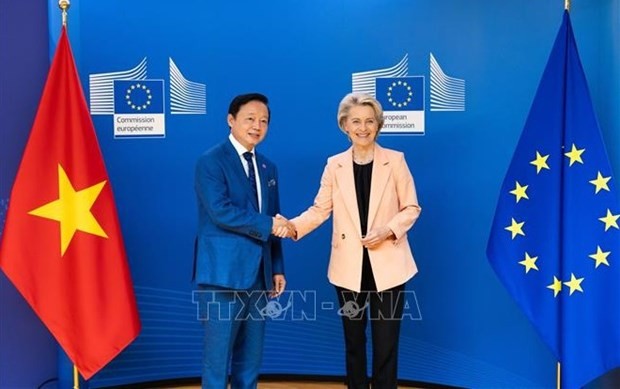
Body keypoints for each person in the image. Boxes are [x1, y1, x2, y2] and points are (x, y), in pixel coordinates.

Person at [277, 93, 421, 389]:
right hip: (347, 268)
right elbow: (320, 209)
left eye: (370, 121)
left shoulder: (395, 161)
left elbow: (411, 208)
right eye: (356, 121)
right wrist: (293, 227)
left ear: (379, 125)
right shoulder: (334, 165)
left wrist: (389, 230)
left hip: (390, 266)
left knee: (386, 344)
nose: (363, 127)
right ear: (344, 125)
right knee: (353, 342)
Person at [194, 93, 287, 389]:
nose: (257, 126)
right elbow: (221, 211)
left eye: (264, 121)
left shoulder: (268, 167)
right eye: (250, 118)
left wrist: (277, 267)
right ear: (231, 120)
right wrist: (270, 224)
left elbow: (273, 217)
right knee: (217, 358)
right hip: (223, 276)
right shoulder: (210, 161)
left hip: (260, 276)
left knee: (251, 358)